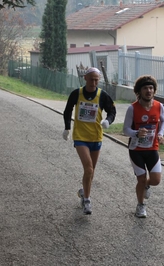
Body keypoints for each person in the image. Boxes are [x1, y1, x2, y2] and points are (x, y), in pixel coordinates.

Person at [62, 67, 116, 215]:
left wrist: (108, 121)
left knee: (91, 172)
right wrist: (67, 128)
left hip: (96, 137)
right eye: (91, 79)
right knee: (89, 168)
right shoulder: (77, 93)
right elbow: (67, 110)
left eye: (96, 80)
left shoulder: (102, 95)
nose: (94, 82)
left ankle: (84, 191)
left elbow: (112, 110)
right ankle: (87, 200)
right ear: (85, 78)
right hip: (80, 137)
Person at [122, 75, 164, 218]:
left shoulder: (159, 106)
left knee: (156, 180)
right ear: (139, 91)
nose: (149, 91)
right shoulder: (132, 109)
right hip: (136, 150)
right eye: (145, 88)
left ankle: (145, 186)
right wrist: (136, 132)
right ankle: (140, 206)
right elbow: (125, 130)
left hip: (152, 148)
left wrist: (160, 133)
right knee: (140, 179)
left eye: (151, 88)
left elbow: (163, 121)